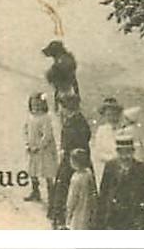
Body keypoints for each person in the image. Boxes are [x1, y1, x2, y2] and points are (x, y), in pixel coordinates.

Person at [96, 131, 144, 229]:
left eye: (128, 152)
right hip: (115, 221)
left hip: (137, 222)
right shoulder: (110, 168)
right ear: (117, 152)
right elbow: (103, 195)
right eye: (121, 153)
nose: (125, 157)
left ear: (133, 152)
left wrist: (142, 207)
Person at [49, 90, 92, 228]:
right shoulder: (73, 120)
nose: (61, 110)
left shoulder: (77, 121)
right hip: (72, 159)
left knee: (68, 189)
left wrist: (67, 152)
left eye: (62, 107)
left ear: (67, 108)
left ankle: (63, 220)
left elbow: (80, 140)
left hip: (74, 160)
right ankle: (61, 218)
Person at [92, 97, 144, 168]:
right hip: (109, 167)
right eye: (108, 115)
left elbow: (142, 152)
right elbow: (98, 153)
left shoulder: (129, 130)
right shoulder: (101, 130)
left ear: (119, 114)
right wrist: (114, 159)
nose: (111, 117)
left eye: (114, 114)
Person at [23, 93, 58, 204]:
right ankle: (35, 191)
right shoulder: (30, 117)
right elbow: (25, 130)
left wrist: (39, 146)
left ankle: (51, 196)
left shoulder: (45, 118)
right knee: (32, 170)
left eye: (38, 105)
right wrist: (27, 144)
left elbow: (47, 135)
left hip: (44, 150)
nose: (36, 107)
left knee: (47, 172)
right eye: (33, 105)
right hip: (32, 148)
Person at [63, 146, 97, 230]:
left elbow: (72, 198)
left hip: (78, 211)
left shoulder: (75, 178)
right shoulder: (88, 173)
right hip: (88, 208)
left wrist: (68, 213)